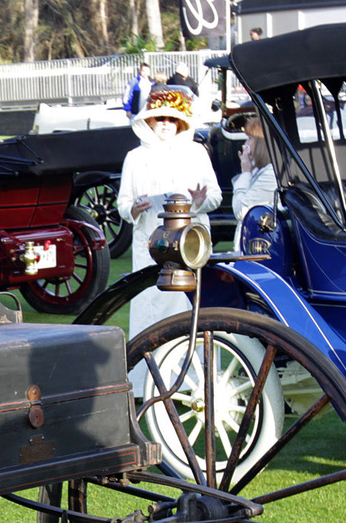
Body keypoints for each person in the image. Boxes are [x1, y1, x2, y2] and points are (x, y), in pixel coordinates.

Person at [115, 88, 221, 342]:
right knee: (151, 305)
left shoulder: (196, 152)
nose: (165, 124)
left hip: (189, 246)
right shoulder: (135, 157)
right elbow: (123, 202)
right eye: (160, 118)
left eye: (172, 119)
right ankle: (148, 372)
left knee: (189, 305)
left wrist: (200, 200)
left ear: (182, 121)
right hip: (151, 245)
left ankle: (193, 372)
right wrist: (133, 210)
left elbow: (215, 196)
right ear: (149, 120)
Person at [231, 117, 277, 219]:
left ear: (262, 144)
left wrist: (246, 172)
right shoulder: (260, 170)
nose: (245, 144)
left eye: (250, 138)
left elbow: (241, 211)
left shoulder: (270, 174)